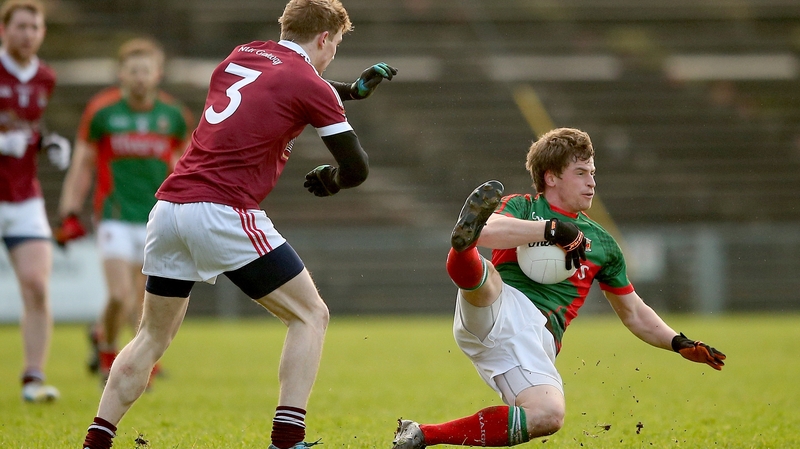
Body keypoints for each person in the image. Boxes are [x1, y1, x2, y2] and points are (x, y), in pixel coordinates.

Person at [80, 0, 396, 448]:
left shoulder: (241, 54)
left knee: (151, 335)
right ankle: (288, 438)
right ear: (324, 38)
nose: (334, 54)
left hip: (169, 208)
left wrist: (348, 91)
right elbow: (357, 166)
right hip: (222, 210)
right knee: (311, 315)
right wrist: (332, 180)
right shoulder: (310, 83)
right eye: (337, 45)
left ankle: (97, 438)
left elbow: (283, 84)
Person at [392, 128, 726, 448]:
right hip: (501, 306)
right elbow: (489, 231)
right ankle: (461, 250)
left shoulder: (604, 244)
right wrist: (551, 229)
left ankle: (422, 434)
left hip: (536, 339)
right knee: (486, 272)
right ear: (551, 177)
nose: (592, 182)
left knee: (548, 416)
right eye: (581, 173)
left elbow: (634, 312)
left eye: (593, 173)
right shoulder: (523, 206)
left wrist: (677, 341)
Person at [56, 37, 193, 386]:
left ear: (158, 73)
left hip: (155, 216)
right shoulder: (103, 112)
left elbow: (184, 166)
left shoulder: (174, 116)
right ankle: (107, 350)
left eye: (146, 70)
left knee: (144, 300)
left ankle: (137, 359)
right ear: (121, 74)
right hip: (114, 214)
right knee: (121, 295)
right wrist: (69, 210)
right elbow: (83, 164)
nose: (140, 77)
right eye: (133, 71)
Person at [0, 0, 71, 403]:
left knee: (36, 286)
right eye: (21, 26)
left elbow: (30, 128)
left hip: (24, 196)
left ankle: (32, 379)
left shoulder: (45, 76)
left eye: (35, 27)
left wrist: (50, 144)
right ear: (4, 29)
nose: (28, 33)